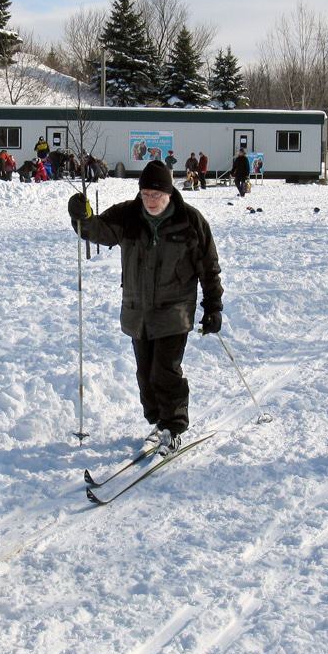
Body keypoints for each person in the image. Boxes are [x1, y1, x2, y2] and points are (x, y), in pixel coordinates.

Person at [67, 160, 223, 454]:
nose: (151, 201)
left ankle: (173, 427)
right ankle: (158, 422)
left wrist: (213, 307)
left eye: (157, 195)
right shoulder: (128, 215)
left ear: (169, 193)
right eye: (146, 194)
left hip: (174, 310)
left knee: (165, 371)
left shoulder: (190, 222)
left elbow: (208, 267)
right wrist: (83, 217)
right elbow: (99, 231)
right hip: (138, 311)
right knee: (144, 374)